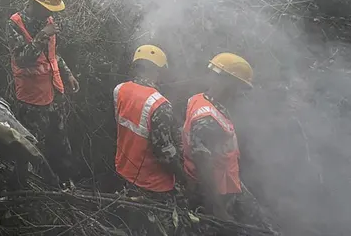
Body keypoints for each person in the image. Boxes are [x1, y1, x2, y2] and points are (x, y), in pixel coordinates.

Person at [182, 52, 269, 226]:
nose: (240, 93)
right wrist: (218, 209)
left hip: (226, 184)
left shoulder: (201, 100)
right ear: (229, 83)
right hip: (215, 194)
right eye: (239, 87)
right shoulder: (208, 119)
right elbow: (203, 165)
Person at [7, 0, 80, 187]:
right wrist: (40, 37)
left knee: (59, 139)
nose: (52, 14)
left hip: (54, 92)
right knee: (29, 143)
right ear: (36, 3)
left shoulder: (47, 20)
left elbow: (52, 54)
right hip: (31, 98)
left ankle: (65, 181)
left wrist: (68, 74)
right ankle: (22, 185)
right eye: (49, 8)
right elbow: (22, 59)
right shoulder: (15, 24)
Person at [113, 45, 184, 199]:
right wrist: (184, 176)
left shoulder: (119, 90)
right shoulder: (160, 104)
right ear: (157, 70)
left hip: (124, 171)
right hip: (153, 184)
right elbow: (165, 153)